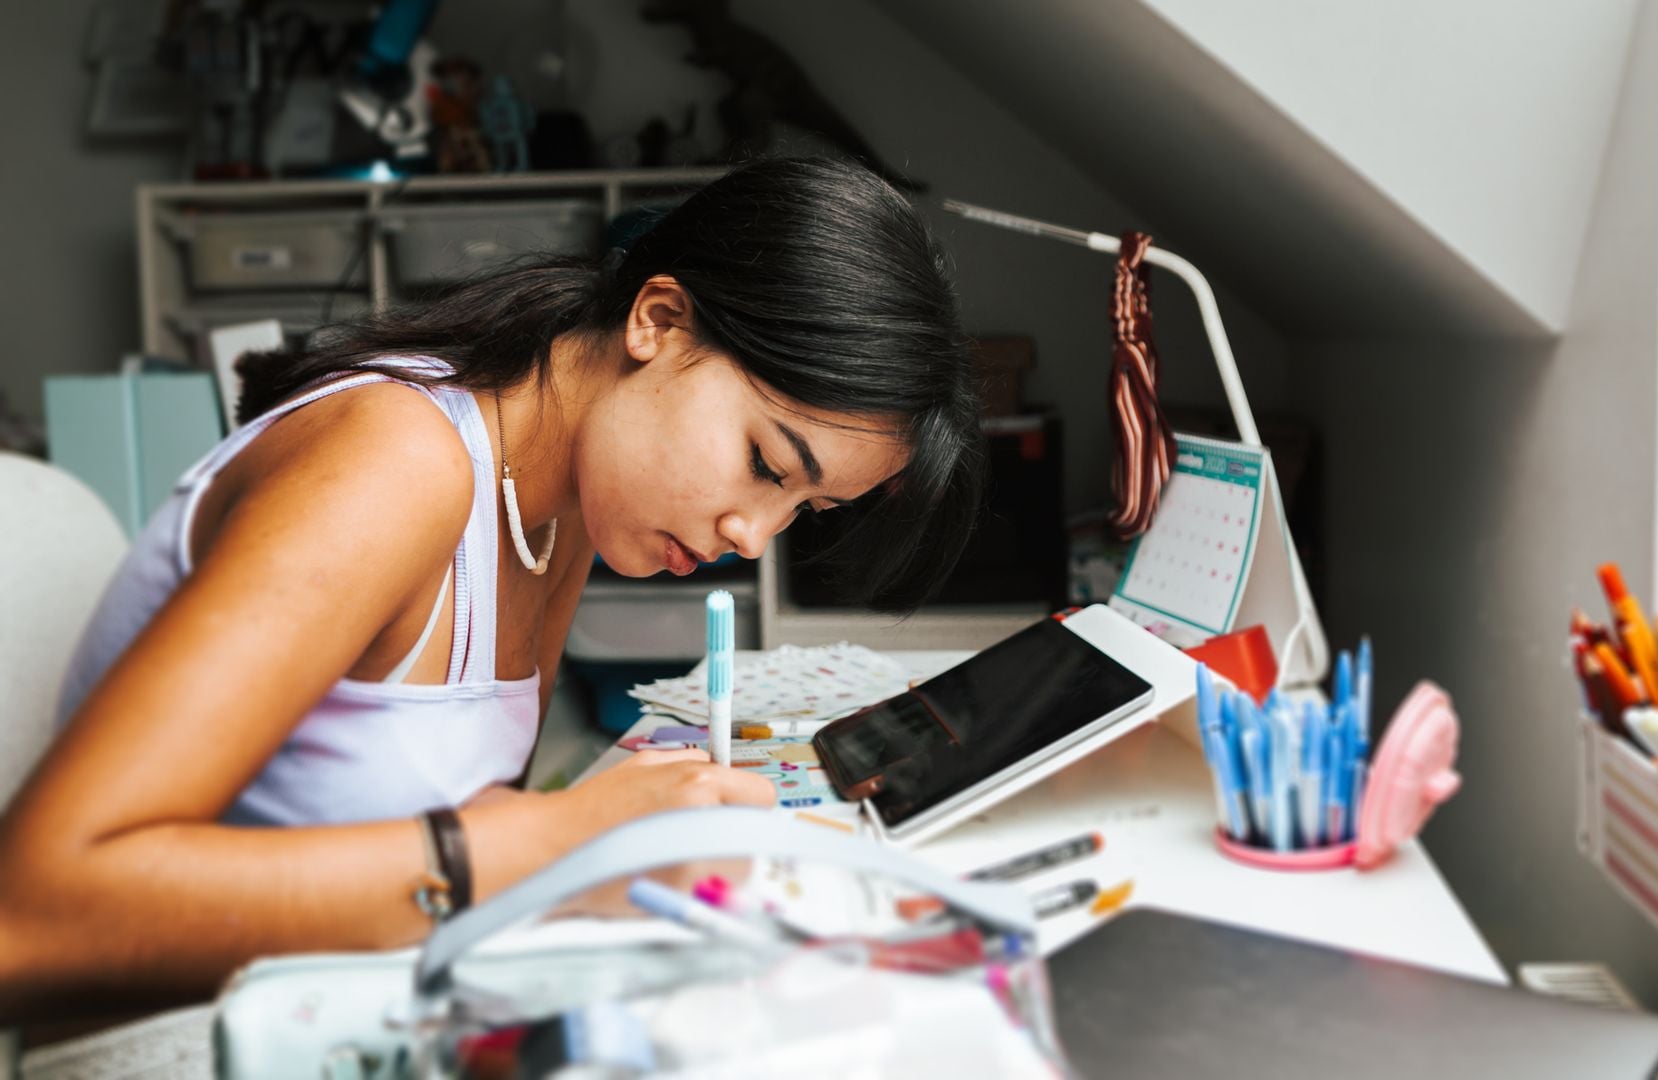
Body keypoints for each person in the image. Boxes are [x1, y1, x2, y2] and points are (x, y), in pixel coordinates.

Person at [0, 156, 984, 1019]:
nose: (751, 535)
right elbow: (31, 912)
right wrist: (540, 843)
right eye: (768, 466)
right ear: (660, 321)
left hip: (345, 993)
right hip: (173, 1031)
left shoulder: (555, 507)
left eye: (803, 511)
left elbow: (459, 824)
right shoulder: (393, 465)